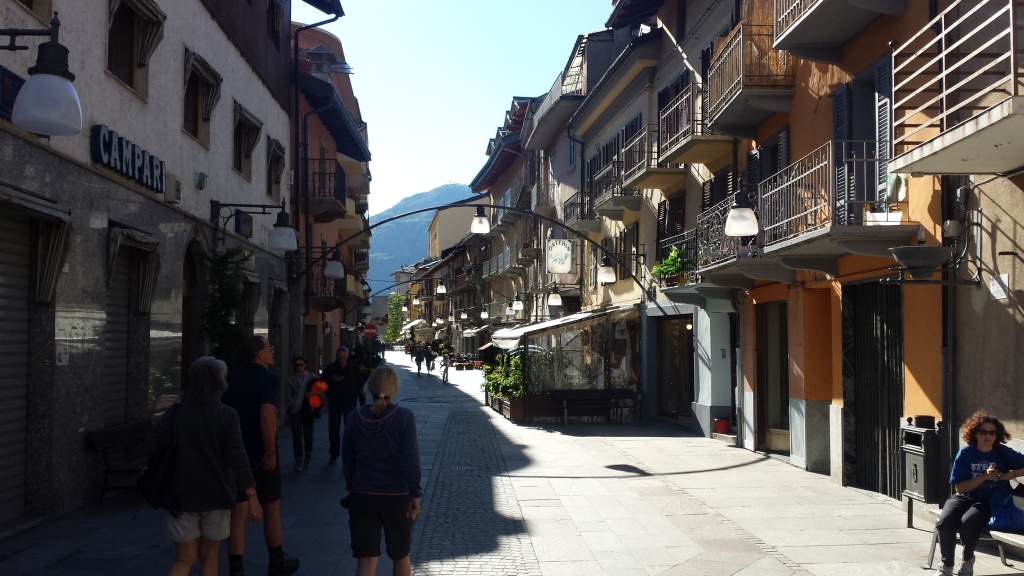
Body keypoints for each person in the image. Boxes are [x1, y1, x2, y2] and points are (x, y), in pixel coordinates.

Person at [146, 356, 262, 576]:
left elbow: (151, 446)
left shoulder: (175, 413)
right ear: (220, 383)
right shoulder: (227, 415)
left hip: (180, 494)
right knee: (210, 556)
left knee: (184, 558)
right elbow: (238, 458)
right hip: (217, 493)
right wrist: (252, 496)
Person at [222, 336, 300, 576]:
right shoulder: (268, 379)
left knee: (238, 512)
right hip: (259, 451)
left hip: (235, 450)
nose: (273, 352)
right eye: (270, 349)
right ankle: (276, 561)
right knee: (271, 504)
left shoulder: (230, 378)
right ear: (260, 354)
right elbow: (266, 413)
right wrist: (270, 452)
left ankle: (236, 569)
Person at [342, 365, 422, 576]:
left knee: (366, 558)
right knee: (400, 555)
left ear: (370, 387)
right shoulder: (404, 417)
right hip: (396, 495)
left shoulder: (354, 417)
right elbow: (411, 459)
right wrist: (415, 493)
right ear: (394, 389)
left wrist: (352, 487)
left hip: (363, 494)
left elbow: (347, 458)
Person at [935, 409, 1024, 576]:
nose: (987, 436)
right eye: (983, 432)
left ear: (997, 435)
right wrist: (984, 476)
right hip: (964, 496)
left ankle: (967, 561)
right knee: (944, 521)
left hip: (988, 501)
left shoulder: (1002, 452)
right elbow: (960, 488)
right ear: (975, 433)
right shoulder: (966, 453)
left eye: (992, 432)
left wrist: (1013, 474)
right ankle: (946, 566)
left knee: (969, 521)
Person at [319, 346, 365, 464]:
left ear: (347, 356)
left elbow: (360, 385)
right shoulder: (330, 368)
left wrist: (362, 401)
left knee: (350, 430)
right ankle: (334, 454)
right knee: (333, 430)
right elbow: (322, 382)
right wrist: (332, 380)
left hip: (350, 403)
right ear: (336, 357)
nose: (342, 360)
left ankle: (349, 454)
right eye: (340, 357)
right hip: (335, 403)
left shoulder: (353, 368)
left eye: (344, 357)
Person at [287, 356, 318, 471]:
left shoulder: (312, 377)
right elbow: (288, 393)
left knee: (308, 434)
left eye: (301, 364)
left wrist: (312, 395)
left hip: (308, 409)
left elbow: (319, 391)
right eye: (297, 365)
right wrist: (292, 402)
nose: (299, 367)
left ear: (305, 365)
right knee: (296, 435)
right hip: (295, 410)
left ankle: (308, 452)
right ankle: (298, 459)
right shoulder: (291, 379)